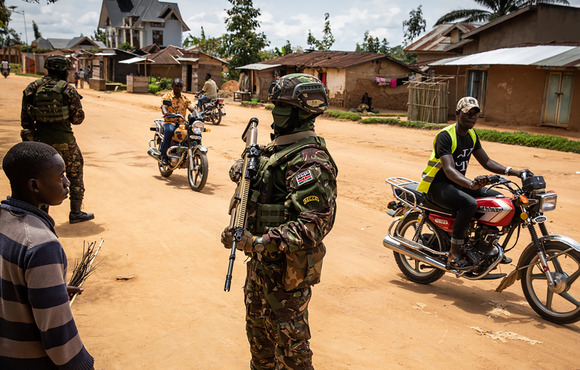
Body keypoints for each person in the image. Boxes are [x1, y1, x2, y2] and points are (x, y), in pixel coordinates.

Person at [222, 73, 338, 369]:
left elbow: (314, 225)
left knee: (291, 352)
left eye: (280, 107)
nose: (273, 113)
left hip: (286, 279)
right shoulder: (276, 150)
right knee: (259, 343)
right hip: (260, 271)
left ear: (300, 112)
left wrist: (259, 242)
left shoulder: (310, 161)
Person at [0, 141, 95, 369]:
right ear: (34, 186)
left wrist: (53, 290)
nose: (67, 183)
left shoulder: (5, 222)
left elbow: (11, 283)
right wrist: (80, 364)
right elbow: (56, 330)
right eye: (60, 176)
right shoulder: (41, 244)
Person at [417, 96, 524, 269]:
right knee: (469, 203)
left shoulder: (472, 135)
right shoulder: (445, 136)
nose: (472, 117)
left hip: (458, 184)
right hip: (438, 186)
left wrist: (514, 172)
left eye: (475, 113)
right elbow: (449, 169)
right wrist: (470, 184)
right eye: (468, 113)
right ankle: (454, 252)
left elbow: (487, 162)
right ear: (458, 113)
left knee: (498, 199)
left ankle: (485, 246)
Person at [20, 54, 95, 224]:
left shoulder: (32, 87)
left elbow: (26, 120)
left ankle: (41, 213)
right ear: (62, 70)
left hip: (40, 143)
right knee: (75, 173)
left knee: (41, 177)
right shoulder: (67, 90)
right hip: (65, 141)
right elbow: (78, 119)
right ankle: (75, 212)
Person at [160, 78, 197, 166]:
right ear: (172, 86)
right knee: (169, 131)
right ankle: (164, 156)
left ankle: (195, 153)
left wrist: (198, 114)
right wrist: (166, 113)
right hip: (170, 122)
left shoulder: (184, 99)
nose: (179, 88)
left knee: (195, 132)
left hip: (182, 124)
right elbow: (164, 107)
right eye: (177, 86)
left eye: (181, 86)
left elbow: (192, 108)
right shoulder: (167, 97)